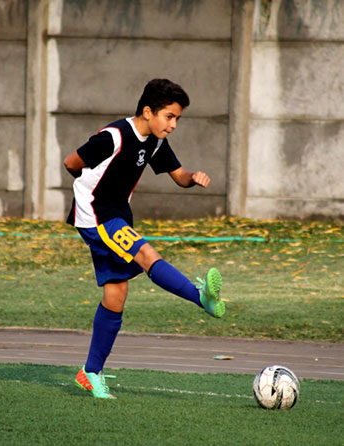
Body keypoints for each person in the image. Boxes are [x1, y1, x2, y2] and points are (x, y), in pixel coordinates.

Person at [63, 78, 225, 399]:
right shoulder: (114, 137)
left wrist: (193, 178)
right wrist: (90, 189)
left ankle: (91, 372)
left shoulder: (155, 140)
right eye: (170, 116)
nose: (174, 124)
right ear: (148, 111)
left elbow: (179, 176)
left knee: (116, 294)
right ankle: (200, 297)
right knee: (146, 254)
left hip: (117, 214)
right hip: (97, 215)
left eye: (178, 118)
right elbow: (72, 162)